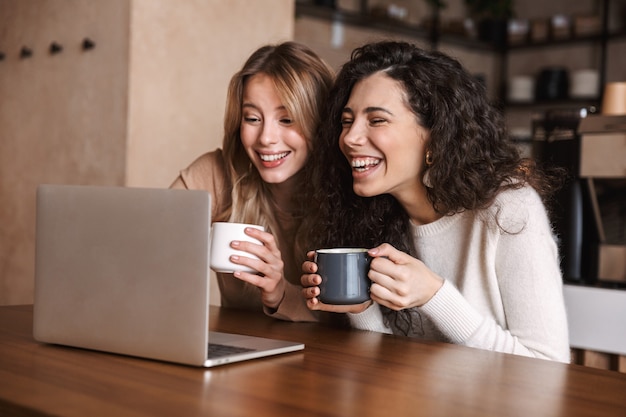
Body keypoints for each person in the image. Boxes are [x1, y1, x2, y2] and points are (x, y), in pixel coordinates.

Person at [299, 40, 571, 362]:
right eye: (347, 121)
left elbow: (549, 366)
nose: (350, 138)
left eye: (377, 120)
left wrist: (434, 295)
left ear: (435, 136)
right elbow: (389, 364)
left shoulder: (510, 209)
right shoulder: (371, 213)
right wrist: (361, 307)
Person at [171, 41, 334, 322]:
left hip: (328, 360)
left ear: (319, 122)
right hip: (238, 353)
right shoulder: (218, 172)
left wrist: (281, 294)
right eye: (253, 118)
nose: (266, 138)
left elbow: (357, 319)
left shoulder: (349, 194)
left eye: (286, 119)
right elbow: (149, 241)